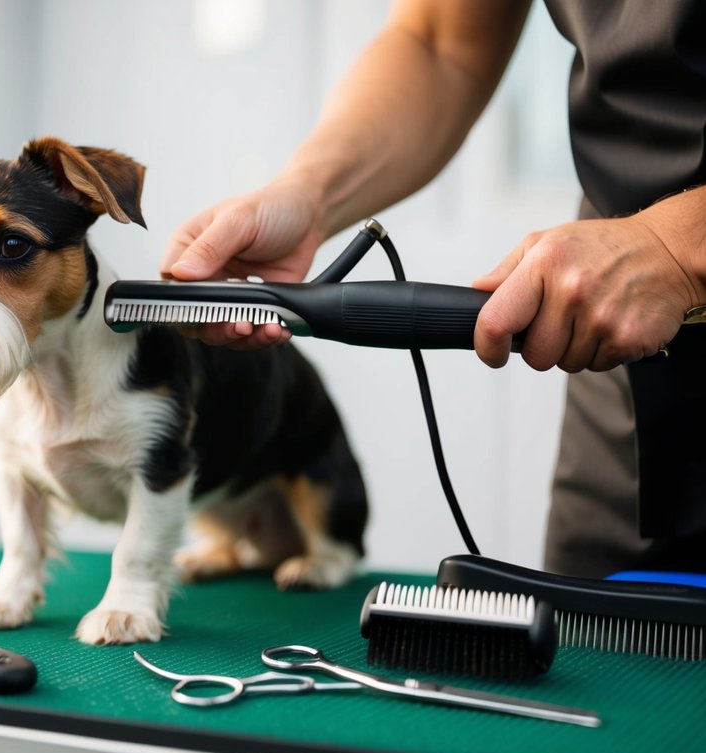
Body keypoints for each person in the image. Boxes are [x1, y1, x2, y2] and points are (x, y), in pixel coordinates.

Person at [161, 0, 706, 577]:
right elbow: (439, 41)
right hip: (617, 354)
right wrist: (308, 193)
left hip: (638, 267)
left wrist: (678, 247)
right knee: (592, 650)